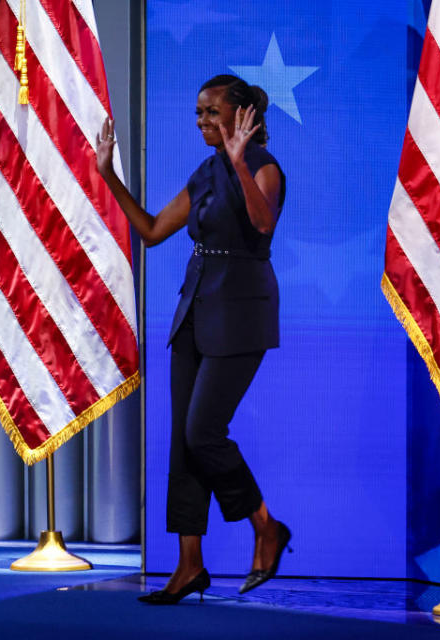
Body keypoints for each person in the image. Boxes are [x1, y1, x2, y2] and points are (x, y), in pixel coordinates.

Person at [96, 74, 291, 604]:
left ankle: (265, 525)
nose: (203, 121)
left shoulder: (264, 169)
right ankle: (188, 566)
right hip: (193, 314)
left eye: (212, 112)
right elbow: (154, 230)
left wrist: (237, 161)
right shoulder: (206, 172)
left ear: (242, 116)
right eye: (198, 113)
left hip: (241, 316)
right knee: (184, 444)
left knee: (204, 431)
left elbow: (262, 224)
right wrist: (108, 175)